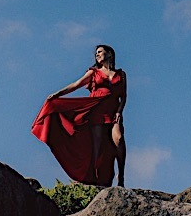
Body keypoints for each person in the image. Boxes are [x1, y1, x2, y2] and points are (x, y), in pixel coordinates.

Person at [31, 44, 127, 186]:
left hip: (113, 112)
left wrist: (119, 111)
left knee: (118, 139)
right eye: (96, 53)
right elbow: (76, 84)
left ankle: (121, 176)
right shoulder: (94, 72)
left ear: (109, 54)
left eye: (100, 52)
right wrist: (58, 94)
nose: (97, 55)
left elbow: (123, 96)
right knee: (98, 148)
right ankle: (95, 179)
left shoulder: (121, 74)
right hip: (96, 111)